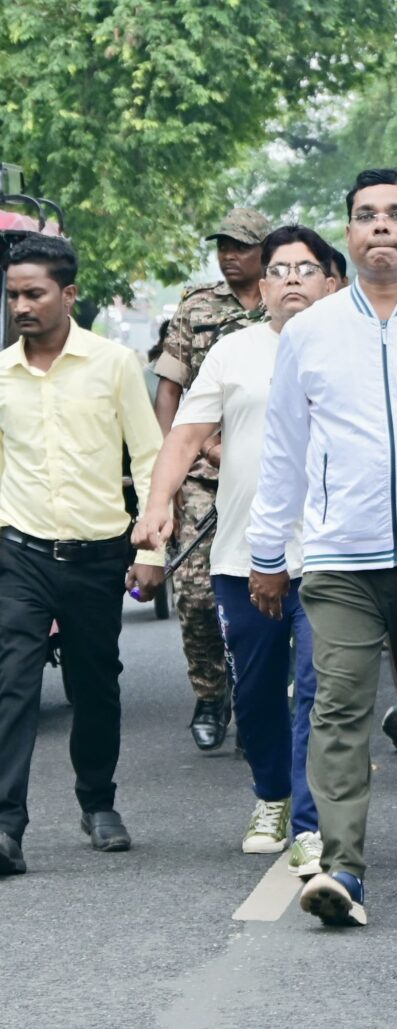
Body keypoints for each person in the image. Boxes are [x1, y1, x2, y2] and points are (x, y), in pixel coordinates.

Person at [247, 169, 397, 928]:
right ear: (349, 236)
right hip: (340, 556)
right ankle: (343, 865)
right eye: (365, 216)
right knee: (339, 706)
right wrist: (266, 550)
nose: (380, 227)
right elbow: (283, 446)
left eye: (395, 215)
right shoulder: (311, 330)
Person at [134, 226, 336, 872]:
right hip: (244, 553)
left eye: (307, 268)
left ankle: (311, 820)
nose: (293, 280)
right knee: (253, 691)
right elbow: (186, 435)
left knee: (317, 689)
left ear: (333, 282)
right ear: (262, 288)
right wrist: (157, 504)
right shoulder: (232, 352)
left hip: (335, 554)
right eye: (280, 270)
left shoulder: (355, 349)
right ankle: (271, 795)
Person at [0, 234, 165, 873]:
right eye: (13, 294)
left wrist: (151, 547)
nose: (21, 305)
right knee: (11, 683)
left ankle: (98, 802)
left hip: (97, 555)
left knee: (93, 683)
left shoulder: (115, 364)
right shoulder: (3, 376)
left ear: (68, 294)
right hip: (20, 553)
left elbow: (149, 456)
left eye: (34, 293)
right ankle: (7, 826)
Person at [154, 207, 271, 751]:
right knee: (198, 593)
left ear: (264, 251)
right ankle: (209, 691)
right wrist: (169, 475)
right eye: (223, 245)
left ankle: (260, 699)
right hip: (202, 472)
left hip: (268, 468)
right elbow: (170, 390)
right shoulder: (197, 306)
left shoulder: (287, 301)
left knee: (269, 590)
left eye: (241, 246)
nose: (229, 255)